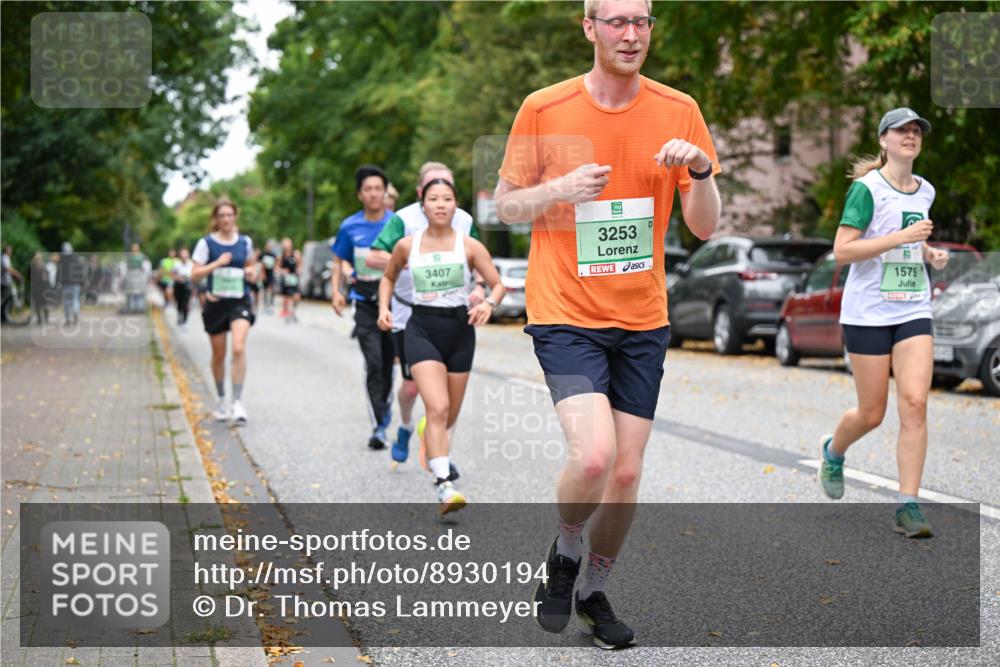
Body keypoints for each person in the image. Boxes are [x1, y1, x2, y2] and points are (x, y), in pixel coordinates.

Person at [493, 0, 721, 649]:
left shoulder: (679, 110)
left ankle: (593, 587)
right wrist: (557, 188)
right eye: (616, 21)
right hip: (565, 310)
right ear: (589, 27)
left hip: (642, 317)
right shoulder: (545, 106)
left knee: (625, 474)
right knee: (593, 455)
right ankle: (565, 550)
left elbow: (704, 226)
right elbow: (505, 204)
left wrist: (699, 170)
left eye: (641, 21)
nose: (630, 33)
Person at [818, 107, 949, 538]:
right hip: (868, 311)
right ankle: (834, 451)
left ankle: (908, 506)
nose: (911, 137)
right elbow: (843, 250)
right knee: (873, 412)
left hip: (912, 306)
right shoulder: (867, 190)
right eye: (902, 131)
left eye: (916, 131)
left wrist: (929, 253)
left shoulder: (924, 190)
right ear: (883, 140)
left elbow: (914, 235)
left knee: (914, 402)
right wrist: (901, 239)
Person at [377, 178, 505, 514]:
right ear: (424, 205)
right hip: (421, 329)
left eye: (447, 199)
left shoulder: (469, 246)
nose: (440, 204)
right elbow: (388, 276)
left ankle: (434, 450)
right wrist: (383, 309)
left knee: (448, 416)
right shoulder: (408, 245)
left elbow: (498, 285)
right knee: (436, 407)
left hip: (460, 331)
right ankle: (444, 485)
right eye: (433, 198)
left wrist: (488, 303)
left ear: (455, 205)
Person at [368, 161, 485, 467]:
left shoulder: (464, 220)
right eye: (434, 191)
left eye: (447, 191)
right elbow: (374, 256)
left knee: (447, 399)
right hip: (410, 313)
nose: (441, 199)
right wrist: (408, 261)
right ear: (421, 192)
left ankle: (443, 454)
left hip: (453, 316)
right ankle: (406, 425)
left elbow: (478, 261)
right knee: (410, 386)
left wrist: (480, 290)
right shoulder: (403, 220)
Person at [331, 165, 396, 450]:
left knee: (390, 363)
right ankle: (379, 424)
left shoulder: (398, 223)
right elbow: (338, 260)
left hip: (395, 303)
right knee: (373, 363)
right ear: (360, 194)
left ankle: (385, 407)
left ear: (385, 192)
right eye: (367, 189)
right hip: (364, 303)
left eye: (377, 189)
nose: (373, 194)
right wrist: (336, 292)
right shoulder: (350, 226)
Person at [191, 198, 257, 426]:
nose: (226, 219)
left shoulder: (245, 242)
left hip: (240, 302)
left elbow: (251, 267)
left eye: (230, 215)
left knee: (238, 348)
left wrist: (251, 274)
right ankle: (221, 399)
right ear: (216, 219)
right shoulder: (206, 244)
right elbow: (195, 274)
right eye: (222, 215)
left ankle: (237, 402)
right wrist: (216, 263)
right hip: (216, 304)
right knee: (219, 355)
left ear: (235, 216)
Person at [58, 242, 87, 326]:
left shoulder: (61, 260)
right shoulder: (76, 259)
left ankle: (68, 318)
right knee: (75, 300)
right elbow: (80, 272)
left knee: (67, 301)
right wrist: (82, 283)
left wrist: (58, 283)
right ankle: (75, 312)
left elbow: (59, 273)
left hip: (66, 284)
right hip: (75, 284)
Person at [277, 237, 303, 322]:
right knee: (286, 298)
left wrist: (299, 269)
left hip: (294, 278)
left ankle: (293, 311)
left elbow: (300, 264)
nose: (286, 246)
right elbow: (277, 267)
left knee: (297, 296)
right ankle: (288, 313)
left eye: (288, 244)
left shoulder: (295, 254)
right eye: (285, 244)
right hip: (286, 279)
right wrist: (282, 271)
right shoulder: (281, 256)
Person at [172, 247, 194, 328]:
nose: (184, 255)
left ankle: (185, 320)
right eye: (182, 253)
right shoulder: (176, 263)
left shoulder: (191, 264)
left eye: (185, 253)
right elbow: (172, 274)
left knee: (186, 303)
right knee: (179, 302)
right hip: (178, 285)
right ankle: (179, 315)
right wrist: (178, 278)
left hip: (187, 285)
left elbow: (194, 275)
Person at [1, 245, 24, 323]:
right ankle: (4, 318)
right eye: (10, 250)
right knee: (6, 299)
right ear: (7, 250)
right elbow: (7, 268)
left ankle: (4, 317)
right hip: (4, 282)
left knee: (6, 299)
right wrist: (17, 274)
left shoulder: (5, 257)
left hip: (6, 281)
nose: (11, 251)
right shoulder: (4, 257)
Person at [261, 239, 278, 313]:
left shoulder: (273, 255)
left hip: (271, 274)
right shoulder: (263, 254)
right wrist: (262, 274)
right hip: (265, 274)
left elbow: (276, 264)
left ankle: (270, 304)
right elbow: (261, 265)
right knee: (265, 290)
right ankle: (265, 304)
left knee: (271, 289)